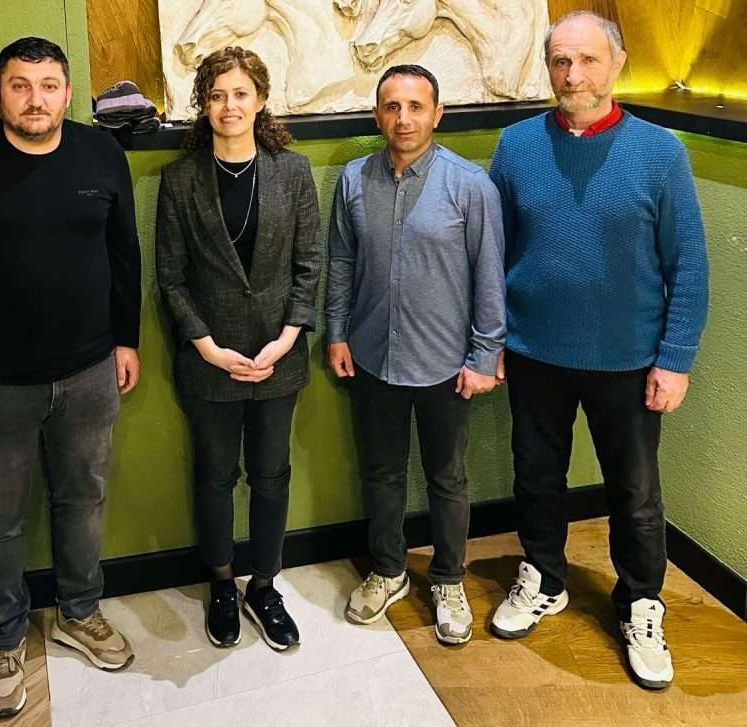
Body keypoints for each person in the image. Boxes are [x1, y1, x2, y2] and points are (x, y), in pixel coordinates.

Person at [487, 11, 709, 690]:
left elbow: (688, 264)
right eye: (560, 61)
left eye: (586, 60)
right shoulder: (516, 146)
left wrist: (675, 358)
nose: (572, 75)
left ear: (617, 64)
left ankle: (641, 602)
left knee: (635, 493)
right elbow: (492, 252)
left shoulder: (660, 152)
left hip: (629, 360)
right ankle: (543, 576)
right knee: (536, 477)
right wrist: (491, 339)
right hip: (534, 351)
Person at [0, 37, 142, 717]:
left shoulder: (100, 153)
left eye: (48, 85)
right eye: (20, 85)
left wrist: (127, 339)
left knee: (84, 498)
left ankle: (80, 611)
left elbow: (125, 252)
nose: (35, 99)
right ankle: (2, 639)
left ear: (67, 92)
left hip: (89, 371)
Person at [326, 65, 506, 645]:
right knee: (380, 472)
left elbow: (489, 274)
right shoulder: (353, 180)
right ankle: (388, 569)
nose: (403, 118)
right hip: (372, 356)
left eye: (415, 106)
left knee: (447, 478)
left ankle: (448, 579)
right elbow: (342, 263)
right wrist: (336, 333)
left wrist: (484, 356)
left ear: (437, 114)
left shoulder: (470, 185)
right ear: (377, 115)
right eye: (392, 107)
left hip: (445, 364)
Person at [155, 47, 320, 651]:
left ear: (261, 100)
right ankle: (223, 582)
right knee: (215, 475)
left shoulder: (293, 172)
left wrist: (287, 338)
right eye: (218, 95)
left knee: (272, 475)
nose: (230, 106)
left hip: (280, 355)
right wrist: (206, 346)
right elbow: (171, 278)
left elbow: (309, 265)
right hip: (210, 361)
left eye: (241, 94)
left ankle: (265, 584)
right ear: (204, 103)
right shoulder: (179, 179)